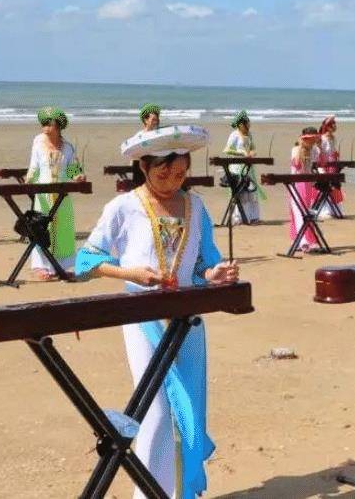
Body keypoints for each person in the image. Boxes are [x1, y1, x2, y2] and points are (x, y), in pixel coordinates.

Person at [75, 125, 238, 499]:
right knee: (156, 410)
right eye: (163, 173)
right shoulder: (123, 207)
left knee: (188, 408)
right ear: (144, 166)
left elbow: (204, 264)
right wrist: (129, 273)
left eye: (179, 174)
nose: (171, 182)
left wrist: (215, 274)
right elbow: (85, 261)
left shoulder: (196, 206)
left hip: (187, 321)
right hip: (142, 319)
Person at [26, 107, 86, 281]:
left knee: (63, 230)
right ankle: (41, 266)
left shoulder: (68, 147)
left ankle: (61, 267)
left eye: (49, 123)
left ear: (58, 126)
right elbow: (34, 167)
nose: (44, 127)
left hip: (62, 195)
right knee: (42, 229)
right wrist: (29, 181)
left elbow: (73, 169)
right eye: (43, 123)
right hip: (43, 194)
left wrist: (78, 176)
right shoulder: (38, 142)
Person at [222, 110, 264, 225]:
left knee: (252, 191)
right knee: (240, 192)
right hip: (237, 167)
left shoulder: (249, 134)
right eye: (247, 123)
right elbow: (227, 150)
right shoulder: (234, 135)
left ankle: (253, 217)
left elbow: (253, 147)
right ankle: (239, 218)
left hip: (248, 167)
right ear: (241, 124)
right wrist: (241, 153)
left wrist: (252, 152)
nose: (249, 125)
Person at [287, 127, 323, 253]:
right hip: (297, 183)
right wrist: (302, 147)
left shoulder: (315, 150)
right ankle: (302, 241)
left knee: (307, 211)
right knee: (298, 211)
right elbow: (297, 165)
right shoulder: (296, 149)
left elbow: (318, 162)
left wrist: (318, 146)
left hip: (308, 183)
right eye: (311, 138)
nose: (313, 141)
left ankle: (306, 239)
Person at [316, 115, 345, 219]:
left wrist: (335, 154)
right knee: (327, 186)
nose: (334, 126)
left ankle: (334, 209)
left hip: (333, 164)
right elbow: (320, 153)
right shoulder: (322, 138)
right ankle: (325, 209)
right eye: (332, 124)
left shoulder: (333, 138)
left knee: (334, 186)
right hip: (325, 165)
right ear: (327, 127)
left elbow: (332, 150)